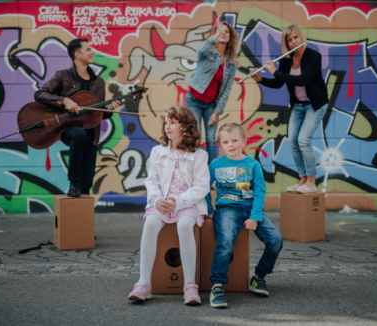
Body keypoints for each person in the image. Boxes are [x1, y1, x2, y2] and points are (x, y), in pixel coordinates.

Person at [128, 106, 210, 305]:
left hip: (187, 203)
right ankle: (144, 283)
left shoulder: (200, 155)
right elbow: (151, 181)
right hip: (163, 202)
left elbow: (202, 187)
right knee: (150, 224)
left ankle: (190, 286)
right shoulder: (158, 152)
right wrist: (156, 200)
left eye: (173, 122)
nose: (168, 127)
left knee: (184, 226)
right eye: (166, 122)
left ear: (186, 127)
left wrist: (179, 202)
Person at [206, 123, 283, 308]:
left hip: (251, 209)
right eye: (225, 142)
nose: (230, 145)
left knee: (276, 239)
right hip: (227, 209)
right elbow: (203, 189)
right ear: (220, 145)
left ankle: (258, 277)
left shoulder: (253, 164)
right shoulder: (215, 165)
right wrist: (208, 210)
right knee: (225, 241)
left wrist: (255, 217)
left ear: (244, 142)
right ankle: (217, 286)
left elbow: (259, 192)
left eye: (234, 140)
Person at [34, 38, 120, 197]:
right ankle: (73, 183)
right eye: (88, 50)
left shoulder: (98, 82)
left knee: (86, 186)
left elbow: (98, 112)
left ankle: (80, 212)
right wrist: (64, 100)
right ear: (77, 54)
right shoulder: (63, 76)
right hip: (68, 128)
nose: (92, 52)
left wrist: (108, 110)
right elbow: (40, 94)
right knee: (78, 134)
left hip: (91, 134)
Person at [252, 24, 328, 194]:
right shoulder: (286, 60)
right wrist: (261, 79)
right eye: (290, 40)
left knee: (303, 140)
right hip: (299, 105)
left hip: (315, 104)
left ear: (301, 38)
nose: (294, 42)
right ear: (286, 43)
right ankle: (302, 180)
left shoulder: (313, 56)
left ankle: (311, 181)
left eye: (296, 38)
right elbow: (279, 83)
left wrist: (274, 72)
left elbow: (303, 79)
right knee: (293, 141)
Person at [185, 16, 239, 164]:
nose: (223, 33)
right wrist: (215, 35)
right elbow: (200, 49)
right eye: (220, 31)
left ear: (230, 37)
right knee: (196, 137)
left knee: (210, 140)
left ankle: (212, 175)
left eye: (227, 32)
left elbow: (227, 89)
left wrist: (217, 111)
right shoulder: (207, 53)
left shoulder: (231, 63)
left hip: (211, 105)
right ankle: (196, 172)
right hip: (194, 101)